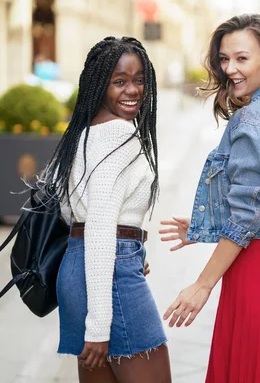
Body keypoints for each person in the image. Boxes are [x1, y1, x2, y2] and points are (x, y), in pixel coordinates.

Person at [159, 14, 260, 383]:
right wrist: (206, 226)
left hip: (257, 273)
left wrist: (201, 285)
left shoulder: (253, 122)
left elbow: (247, 218)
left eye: (242, 58)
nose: (230, 68)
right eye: (223, 59)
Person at [40, 37, 171, 383]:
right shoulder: (118, 135)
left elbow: (74, 214)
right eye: (119, 81)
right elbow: (99, 226)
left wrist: (134, 248)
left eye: (140, 79)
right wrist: (99, 326)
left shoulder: (83, 134)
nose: (133, 90)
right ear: (99, 83)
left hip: (80, 270)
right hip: (109, 275)